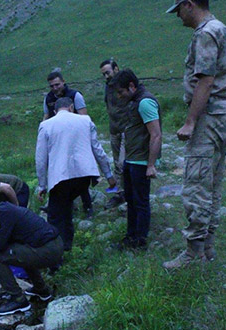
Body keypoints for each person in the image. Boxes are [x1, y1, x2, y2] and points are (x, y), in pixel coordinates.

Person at [163, 0, 226, 269]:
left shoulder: (206, 33)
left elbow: (205, 79)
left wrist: (191, 122)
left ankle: (194, 253)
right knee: (214, 181)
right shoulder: (225, 30)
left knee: (197, 181)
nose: (178, 16)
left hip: (210, 114)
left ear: (189, 4)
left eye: (179, 10)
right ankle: (207, 246)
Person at [36, 97, 116, 251]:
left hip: (60, 178)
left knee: (55, 215)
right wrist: (108, 174)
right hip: (84, 176)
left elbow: (40, 159)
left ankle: (55, 254)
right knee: (66, 208)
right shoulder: (85, 121)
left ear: (54, 111)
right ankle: (67, 246)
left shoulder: (46, 125)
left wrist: (42, 185)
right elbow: (97, 149)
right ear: (71, 107)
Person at [0, 190, 63, 316]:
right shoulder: (3, 209)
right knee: (17, 250)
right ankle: (41, 290)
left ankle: (18, 300)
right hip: (53, 245)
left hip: (48, 251)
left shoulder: (2, 216)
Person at [110, 69, 162, 249]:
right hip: (131, 159)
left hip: (141, 162)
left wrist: (151, 165)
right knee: (131, 201)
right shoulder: (135, 101)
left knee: (140, 202)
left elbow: (155, 135)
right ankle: (130, 236)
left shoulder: (145, 102)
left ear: (131, 86)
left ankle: (140, 241)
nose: (119, 96)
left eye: (121, 92)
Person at [42, 71, 92, 216]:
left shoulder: (75, 95)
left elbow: (84, 117)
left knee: (80, 171)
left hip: (76, 139)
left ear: (63, 81)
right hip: (57, 140)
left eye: (57, 84)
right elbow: (46, 116)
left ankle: (87, 206)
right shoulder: (48, 98)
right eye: (52, 86)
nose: (55, 88)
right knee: (55, 171)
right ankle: (57, 204)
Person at [100, 59, 129, 209]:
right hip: (114, 129)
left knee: (122, 163)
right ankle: (120, 193)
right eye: (104, 74)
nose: (106, 76)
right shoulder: (108, 87)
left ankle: (126, 192)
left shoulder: (125, 84)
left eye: (108, 73)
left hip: (127, 129)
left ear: (116, 69)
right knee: (117, 162)